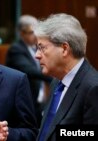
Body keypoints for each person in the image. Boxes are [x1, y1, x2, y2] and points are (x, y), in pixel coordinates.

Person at [34, 13, 98, 141]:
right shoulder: (57, 81)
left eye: (42, 48)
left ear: (64, 49)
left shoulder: (93, 88)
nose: (37, 55)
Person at [6, 15, 52, 126]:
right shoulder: (16, 49)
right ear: (21, 33)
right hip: (23, 104)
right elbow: (30, 71)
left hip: (39, 102)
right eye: (31, 32)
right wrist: (52, 76)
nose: (36, 36)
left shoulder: (37, 48)